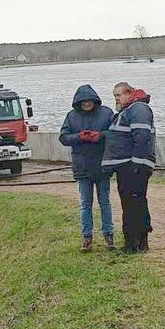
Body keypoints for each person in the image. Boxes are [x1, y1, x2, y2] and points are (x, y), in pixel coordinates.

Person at [102, 82, 156, 253]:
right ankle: (140, 242)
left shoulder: (137, 109)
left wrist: (136, 163)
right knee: (136, 203)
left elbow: (142, 136)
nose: (116, 99)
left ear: (129, 93)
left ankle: (133, 244)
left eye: (118, 95)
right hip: (130, 165)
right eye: (114, 96)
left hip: (133, 166)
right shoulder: (128, 111)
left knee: (132, 204)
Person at [60, 85, 115, 251]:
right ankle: (87, 237)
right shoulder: (71, 116)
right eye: (83, 101)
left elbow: (115, 133)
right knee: (85, 203)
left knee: (104, 202)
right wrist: (79, 137)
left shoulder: (106, 113)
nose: (86, 104)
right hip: (82, 166)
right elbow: (63, 137)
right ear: (79, 102)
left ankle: (109, 235)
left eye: (89, 101)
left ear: (94, 100)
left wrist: (101, 135)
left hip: (102, 165)